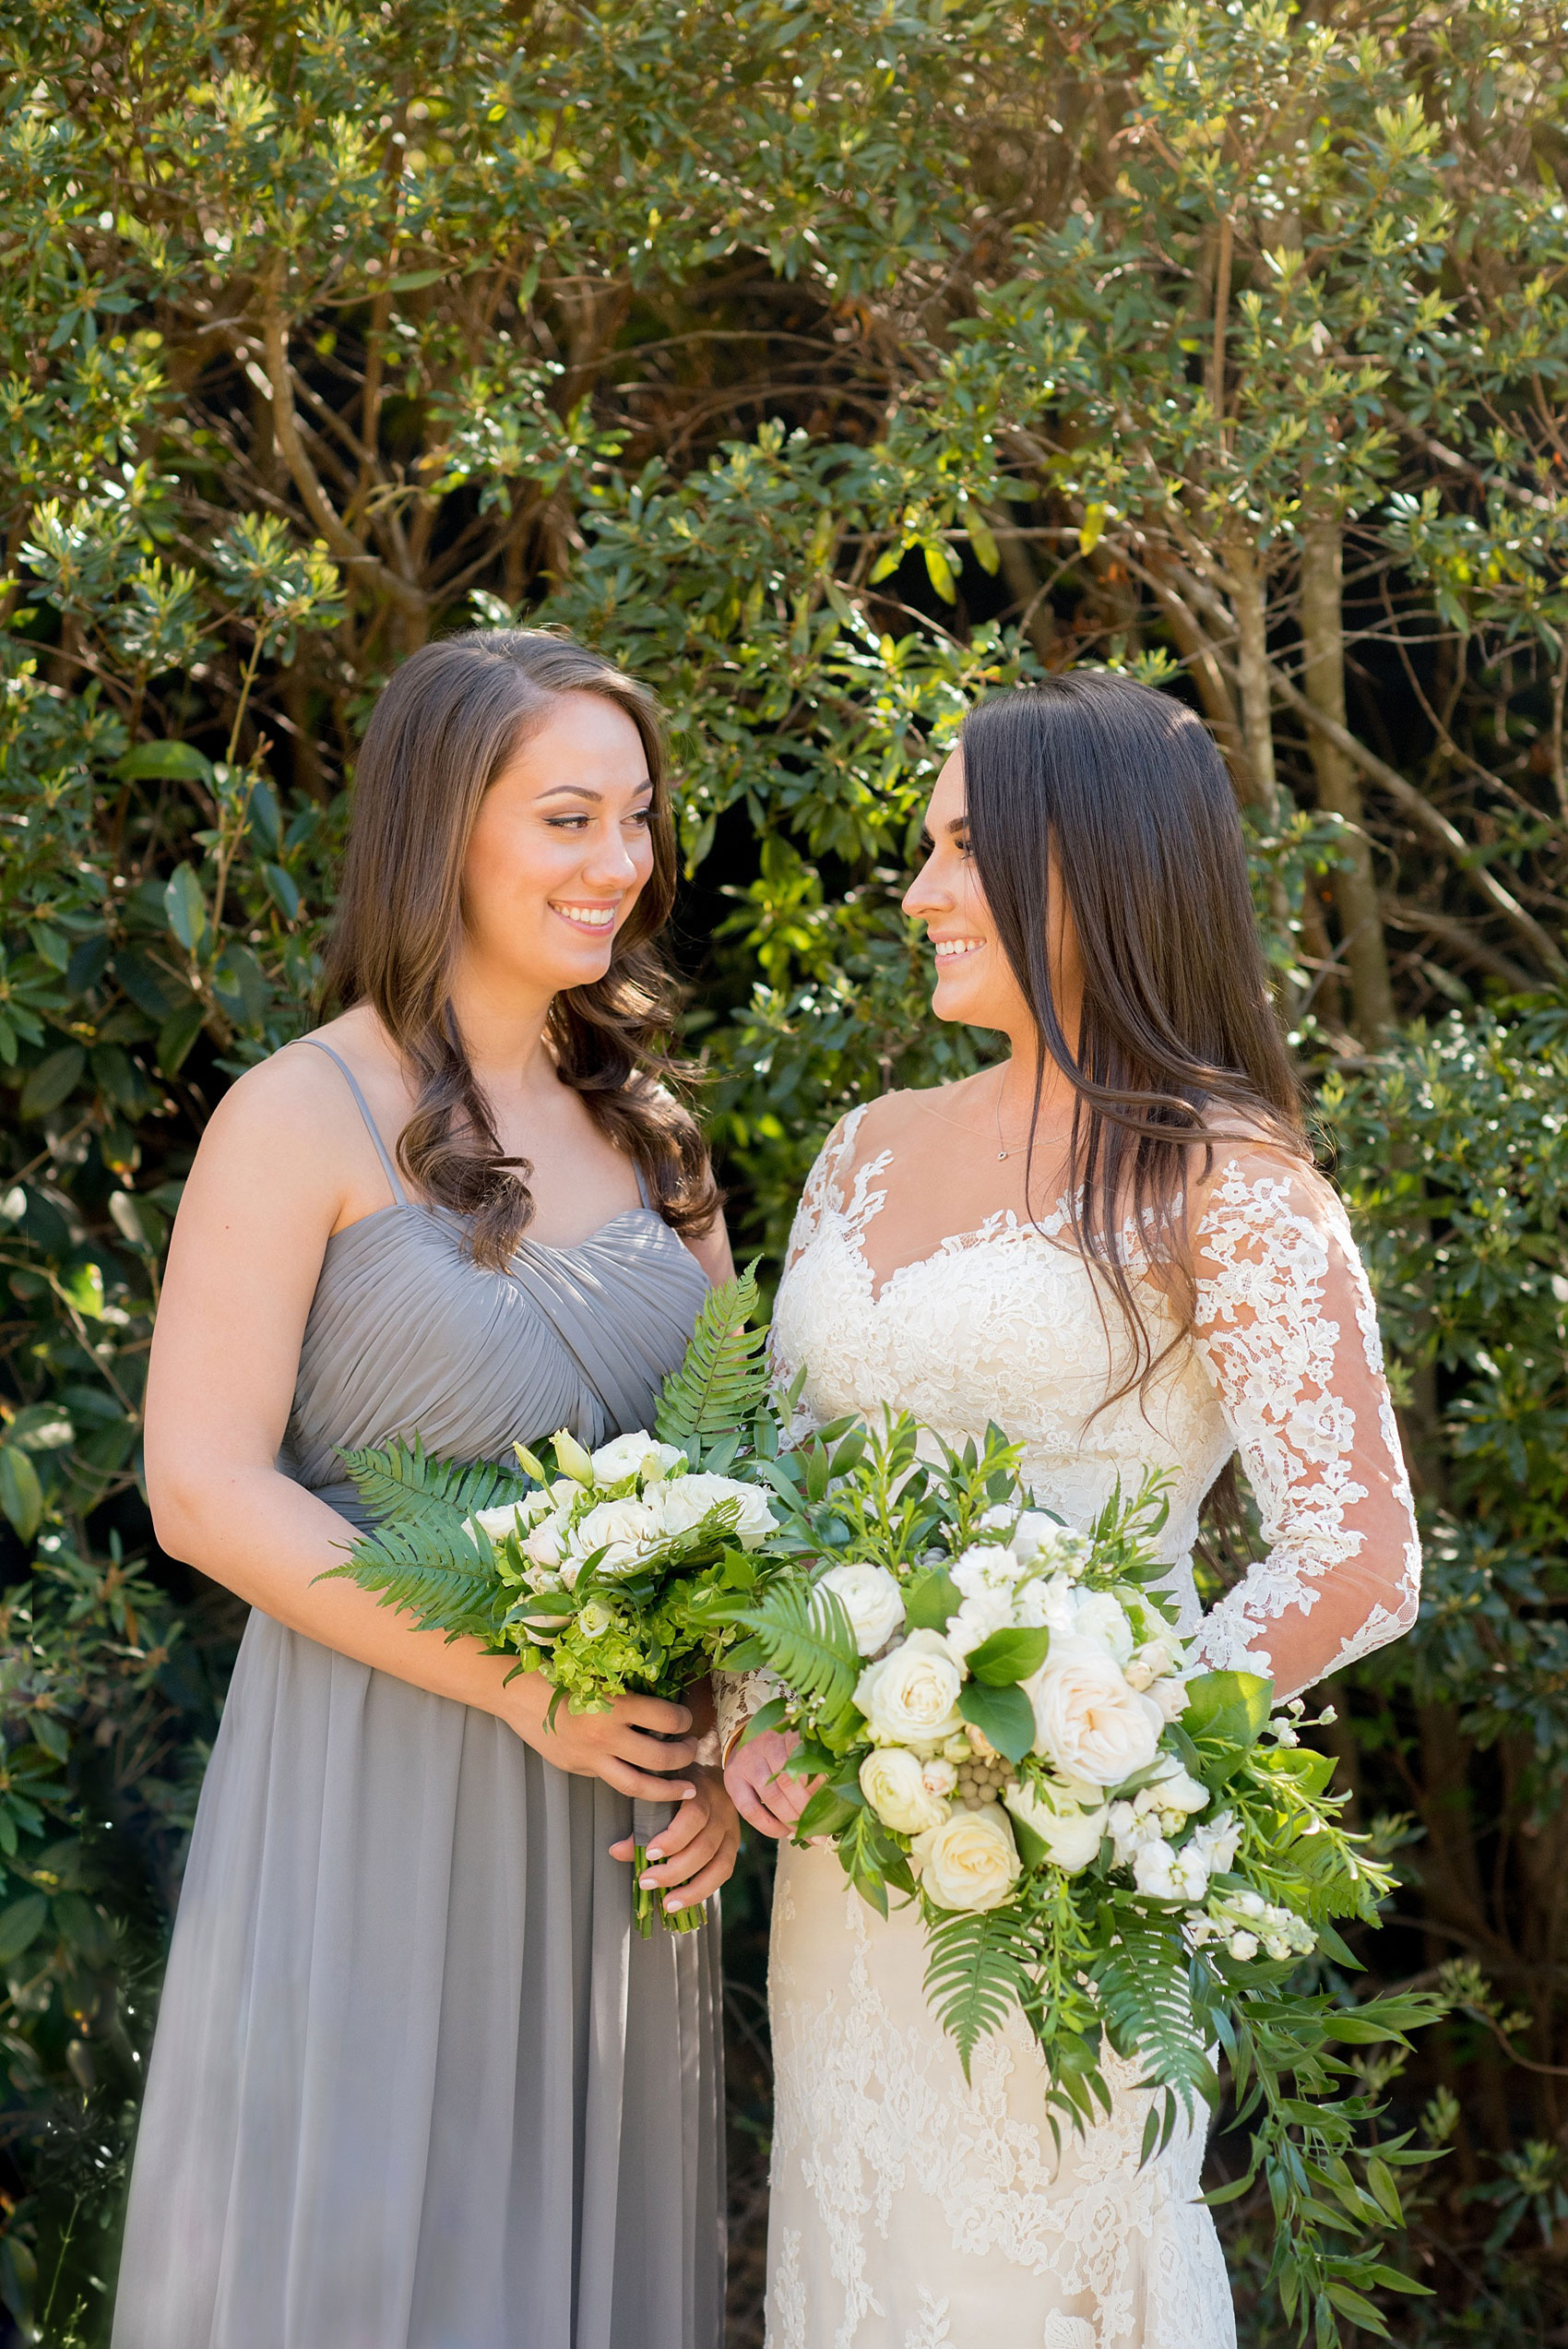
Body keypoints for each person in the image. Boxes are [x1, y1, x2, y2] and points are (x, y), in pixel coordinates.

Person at [720, 673, 1421, 2349]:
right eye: (926, 845)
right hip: (842, 1871)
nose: (918, 891)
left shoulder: (1227, 1181)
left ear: (1087, 867)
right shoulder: (862, 1149)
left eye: (964, 848)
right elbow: (791, 1477)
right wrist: (762, 1696)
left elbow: (1359, 1556)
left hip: (1062, 1896)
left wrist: (1084, 1743)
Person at [113, 630, 738, 2349]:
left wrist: (738, 1729)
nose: (619, 863)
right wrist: (511, 1679)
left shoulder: (660, 1140)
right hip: (375, 1780)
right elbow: (200, 1486)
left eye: (636, 818)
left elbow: (751, 1475)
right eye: (566, 818)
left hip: (623, 1815)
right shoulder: (294, 1115)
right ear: (441, 827)